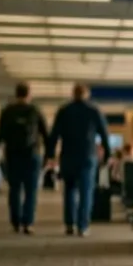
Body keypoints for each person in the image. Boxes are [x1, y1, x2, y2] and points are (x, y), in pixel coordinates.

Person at [46, 83, 110, 237]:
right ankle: (83, 225)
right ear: (87, 94)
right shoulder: (94, 110)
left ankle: (69, 224)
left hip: (68, 156)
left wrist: (50, 154)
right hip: (88, 155)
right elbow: (104, 133)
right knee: (86, 192)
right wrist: (107, 154)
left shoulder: (64, 111)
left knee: (69, 190)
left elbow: (54, 134)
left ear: (73, 94)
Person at [0, 82, 48, 234]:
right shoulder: (35, 111)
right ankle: (27, 222)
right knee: (31, 190)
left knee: (14, 189)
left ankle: (15, 222)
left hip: (12, 154)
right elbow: (45, 134)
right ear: (29, 94)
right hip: (32, 155)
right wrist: (50, 154)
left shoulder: (7, 111)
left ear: (16, 94)